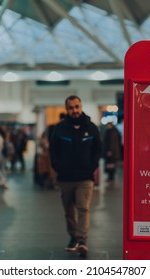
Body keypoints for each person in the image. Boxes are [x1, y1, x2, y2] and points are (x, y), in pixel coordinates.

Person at [49, 95, 102, 256]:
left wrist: (91, 167)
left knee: (83, 208)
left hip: (85, 178)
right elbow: (53, 151)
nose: (75, 110)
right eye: (71, 108)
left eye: (77, 107)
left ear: (81, 106)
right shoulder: (60, 129)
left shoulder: (91, 128)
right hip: (65, 178)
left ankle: (82, 240)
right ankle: (73, 237)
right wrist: (58, 168)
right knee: (69, 211)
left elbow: (97, 150)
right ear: (67, 110)